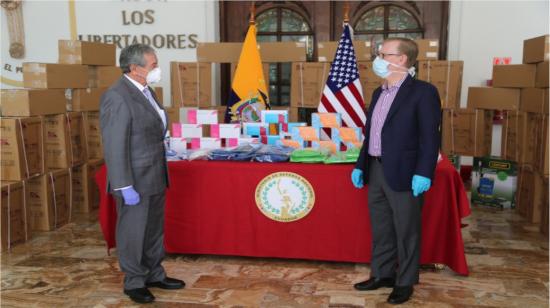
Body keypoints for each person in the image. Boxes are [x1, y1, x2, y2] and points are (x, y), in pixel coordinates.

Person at [350, 38, 441, 305]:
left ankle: (405, 281)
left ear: (401, 59)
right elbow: (371, 136)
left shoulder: (423, 92)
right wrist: (360, 165)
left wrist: (424, 172)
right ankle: (383, 274)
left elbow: (429, 137)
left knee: (407, 230)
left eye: (382, 54)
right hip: (376, 168)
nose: (376, 59)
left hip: (405, 172)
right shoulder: (379, 92)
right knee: (381, 228)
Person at [100, 44, 184, 304]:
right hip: (134, 178)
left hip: (155, 173)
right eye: (153, 65)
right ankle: (134, 281)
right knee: (134, 231)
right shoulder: (117, 95)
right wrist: (124, 185)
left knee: (153, 229)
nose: (157, 69)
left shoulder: (146, 90)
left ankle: (154, 273)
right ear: (135, 68)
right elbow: (114, 143)